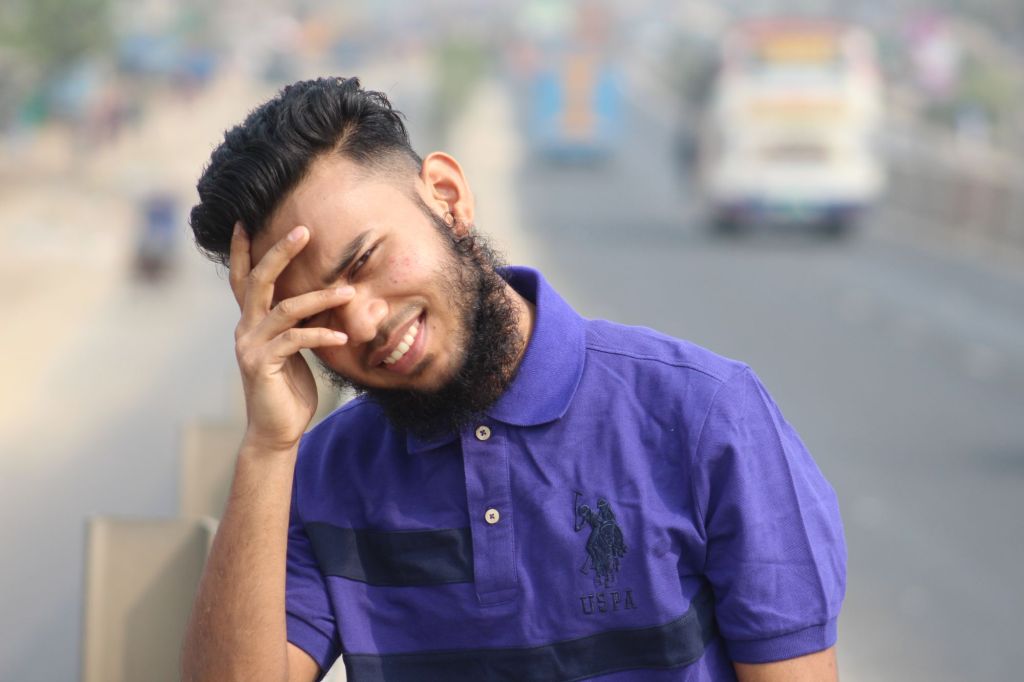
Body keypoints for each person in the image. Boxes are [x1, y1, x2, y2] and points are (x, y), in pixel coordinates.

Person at [182, 77, 846, 682]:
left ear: (447, 198)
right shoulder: (320, 474)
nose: (363, 323)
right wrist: (268, 449)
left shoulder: (705, 415)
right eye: (315, 312)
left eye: (363, 261)